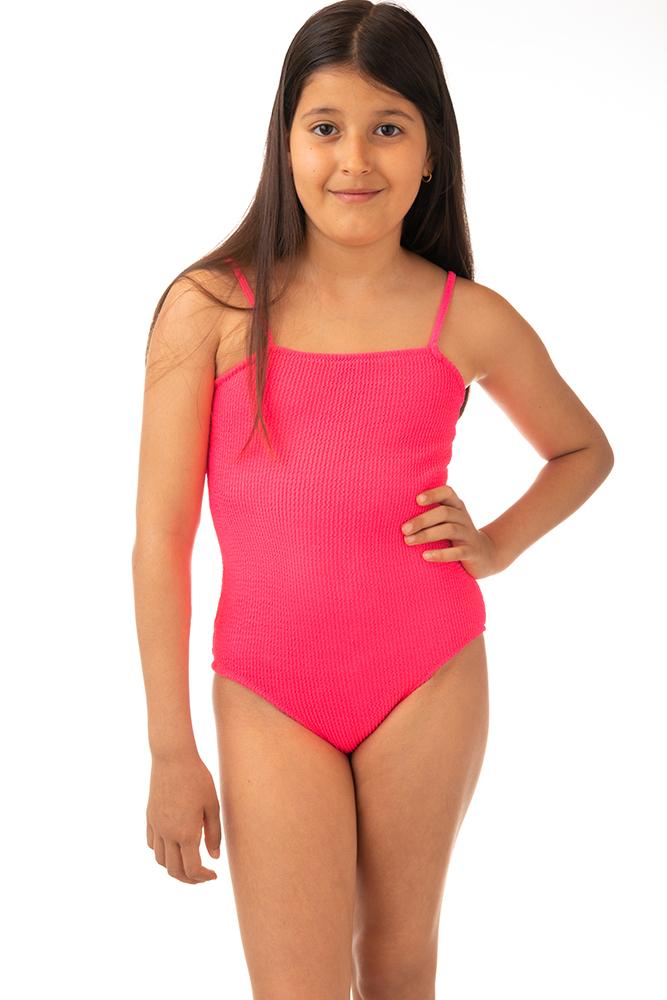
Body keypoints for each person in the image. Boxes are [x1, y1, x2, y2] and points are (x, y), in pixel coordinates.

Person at [131, 2, 614, 997]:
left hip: (428, 676)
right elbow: (159, 541)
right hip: (267, 691)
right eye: (325, 127)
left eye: (388, 127)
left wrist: (496, 544)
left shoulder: (464, 316)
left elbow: (582, 449)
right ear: (285, 142)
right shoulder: (210, 309)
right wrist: (172, 750)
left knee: (397, 968)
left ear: (431, 151)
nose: (354, 159)